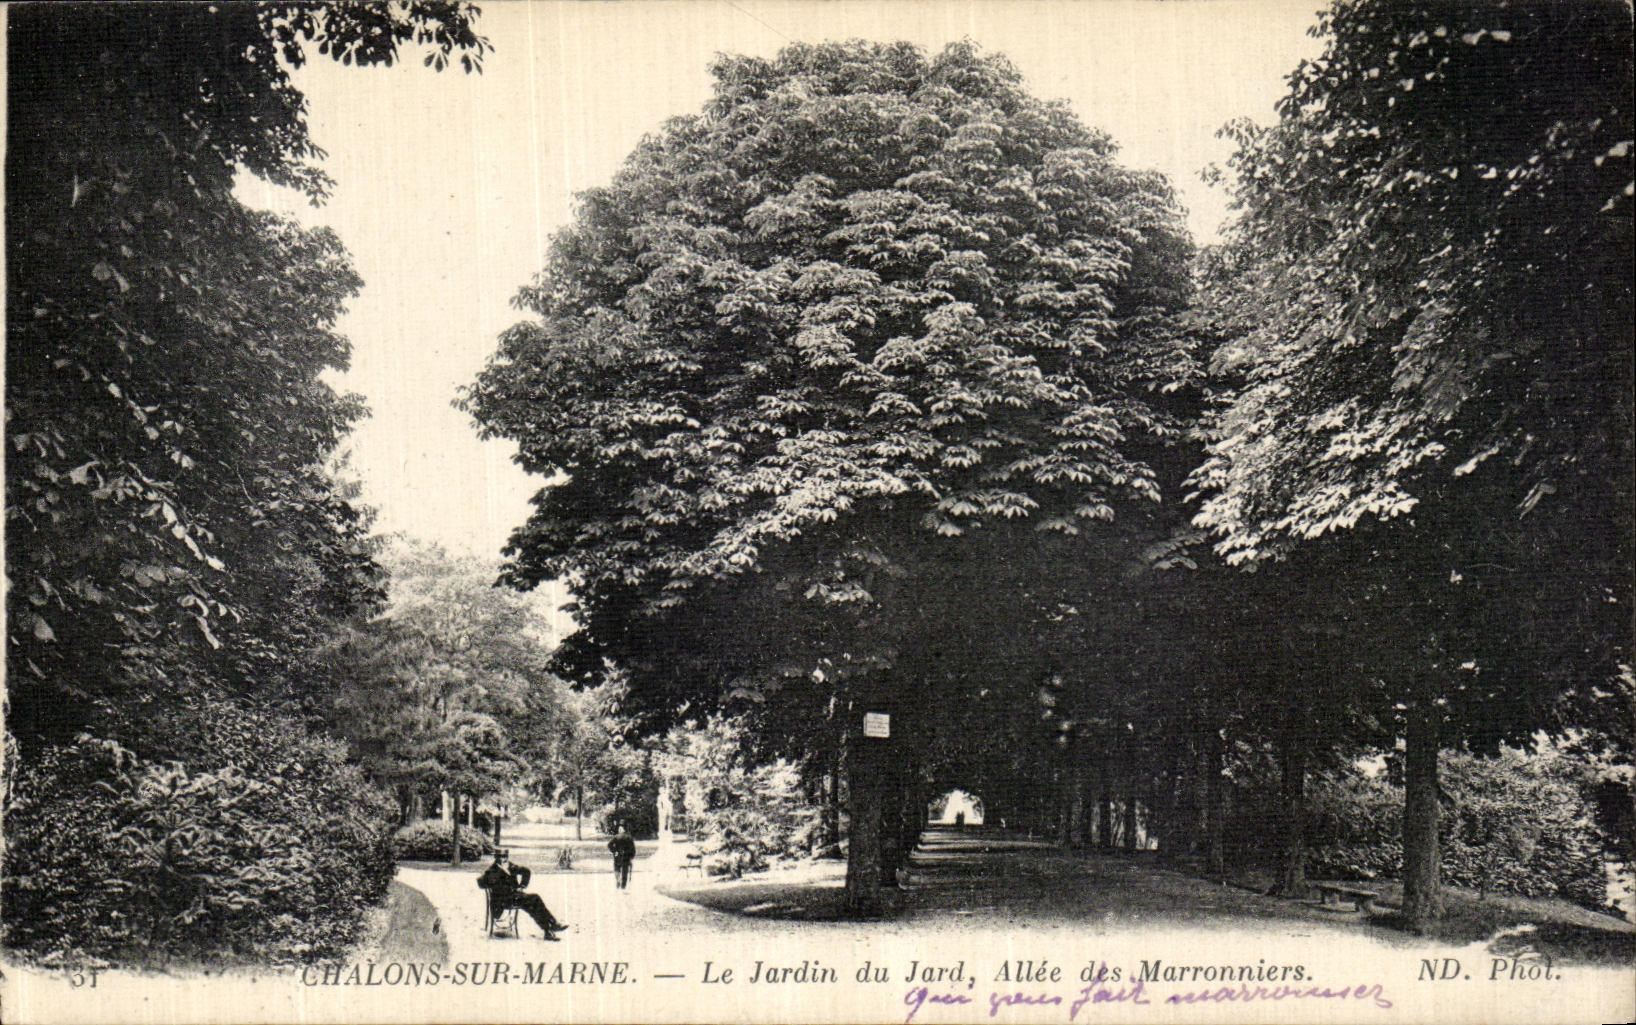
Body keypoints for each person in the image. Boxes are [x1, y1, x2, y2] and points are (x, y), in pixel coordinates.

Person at [478, 849, 568, 939]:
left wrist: (522, 885)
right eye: (500, 857)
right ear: (496, 858)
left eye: (505, 857)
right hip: (502, 901)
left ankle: (549, 929)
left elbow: (526, 871)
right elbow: (480, 882)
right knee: (534, 901)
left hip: (515, 897)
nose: (503, 859)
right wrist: (492, 881)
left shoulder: (510, 866)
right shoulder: (492, 870)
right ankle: (551, 927)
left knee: (534, 901)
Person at [607, 825, 636, 890]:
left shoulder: (616, 837)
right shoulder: (629, 837)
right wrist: (632, 856)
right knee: (625, 871)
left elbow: (609, 845)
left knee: (617, 868)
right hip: (626, 856)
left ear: (620, 830)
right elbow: (633, 848)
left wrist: (614, 851)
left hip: (618, 855)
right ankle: (623, 885)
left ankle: (618, 879)